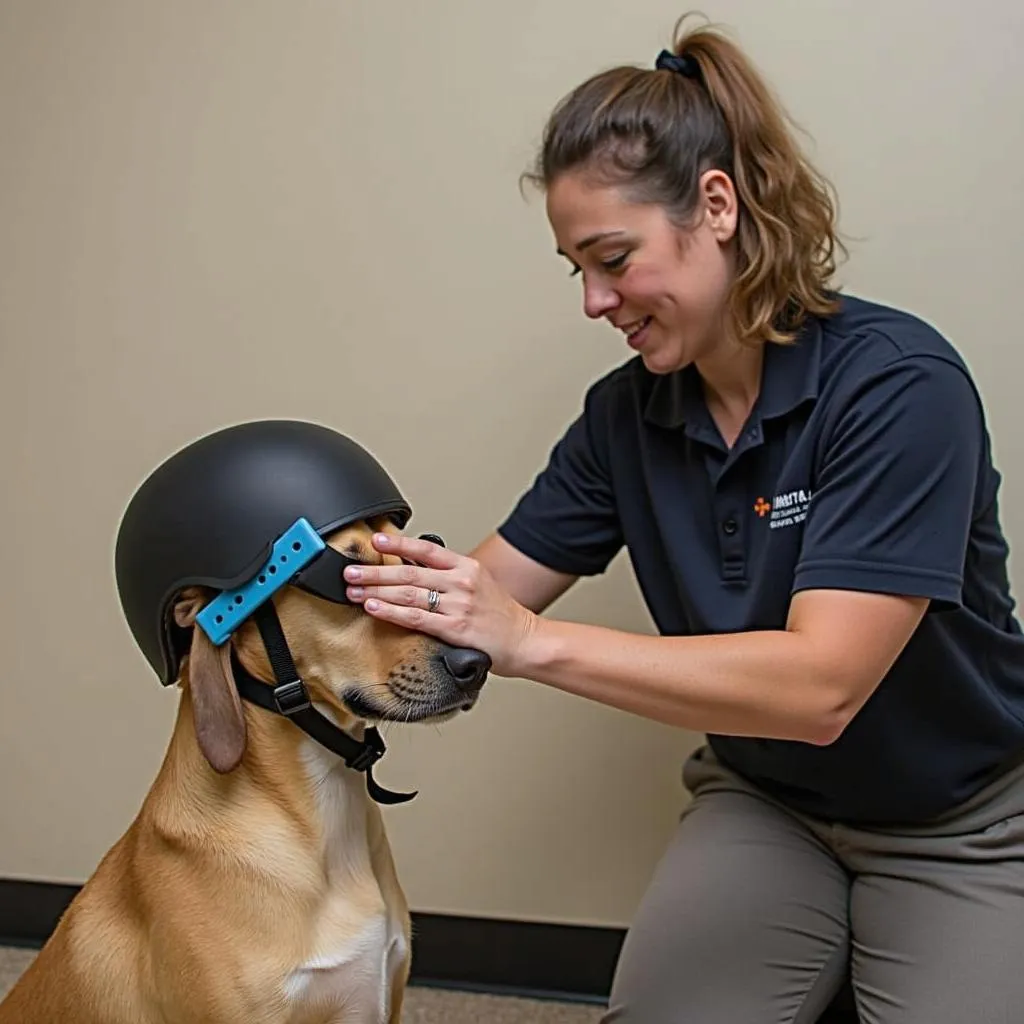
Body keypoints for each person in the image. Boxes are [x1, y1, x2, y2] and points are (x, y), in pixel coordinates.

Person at [341, 15, 1024, 1024]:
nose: (592, 299)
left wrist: (529, 642)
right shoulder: (627, 418)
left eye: (611, 258)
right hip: (769, 804)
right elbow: (477, 598)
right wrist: (322, 587)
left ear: (715, 205)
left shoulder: (897, 387)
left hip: (960, 815)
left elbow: (821, 688)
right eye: (576, 266)